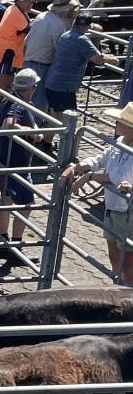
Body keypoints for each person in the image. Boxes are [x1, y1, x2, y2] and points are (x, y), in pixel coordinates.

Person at [57, 102, 133, 285]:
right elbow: (100, 159)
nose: (116, 124)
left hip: (128, 212)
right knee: (115, 256)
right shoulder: (120, 143)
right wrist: (78, 167)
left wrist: (90, 176)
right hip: (114, 208)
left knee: (129, 264)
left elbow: (121, 177)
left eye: (120, 121)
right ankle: (119, 291)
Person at [0, 68, 44, 261]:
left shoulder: (8, 98)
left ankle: (3, 242)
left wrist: (33, 128)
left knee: (6, 199)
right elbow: (8, 124)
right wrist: (31, 132)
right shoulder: (18, 105)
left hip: (6, 158)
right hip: (17, 162)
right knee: (27, 204)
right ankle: (15, 245)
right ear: (33, 87)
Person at [43, 13, 119, 118]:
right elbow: (97, 59)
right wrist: (113, 60)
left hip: (52, 83)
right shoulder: (82, 40)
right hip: (64, 87)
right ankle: (66, 135)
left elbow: (92, 54)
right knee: (66, 121)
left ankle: (46, 134)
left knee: (54, 119)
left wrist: (103, 56)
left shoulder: (65, 35)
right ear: (88, 26)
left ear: (74, 23)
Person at [23, 0, 80, 110]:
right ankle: (35, 127)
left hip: (29, 60)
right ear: (66, 9)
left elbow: (26, 41)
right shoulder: (59, 24)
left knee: (26, 97)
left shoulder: (41, 16)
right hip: (43, 65)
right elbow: (59, 48)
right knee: (38, 102)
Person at [0, 0, 36, 114]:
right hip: (5, 56)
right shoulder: (17, 15)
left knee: (6, 88)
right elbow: (30, 32)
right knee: (0, 89)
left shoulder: (12, 9)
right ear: (19, 1)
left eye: (32, 2)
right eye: (27, 2)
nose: (30, 5)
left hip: (4, 55)